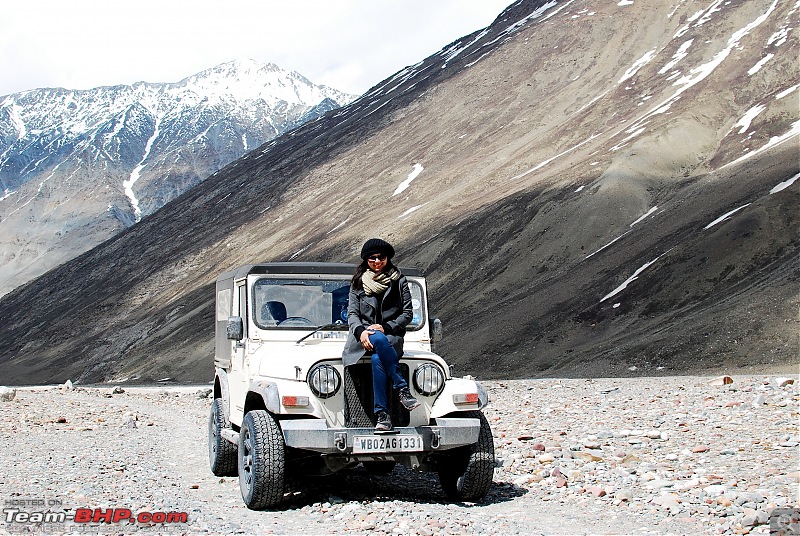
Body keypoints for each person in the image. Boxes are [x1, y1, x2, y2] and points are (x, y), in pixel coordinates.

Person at [341, 238, 420, 433]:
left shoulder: (398, 280)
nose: (377, 262)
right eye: (372, 258)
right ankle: (402, 389)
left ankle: (382, 416)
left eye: (381, 257)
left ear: (388, 258)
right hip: (363, 338)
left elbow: (407, 314)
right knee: (376, 341)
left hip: (390, 336)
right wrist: (361, 332)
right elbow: (353, 314)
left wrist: (385, 327)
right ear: (365, 260)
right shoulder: (358, 283)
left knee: (378, 357)